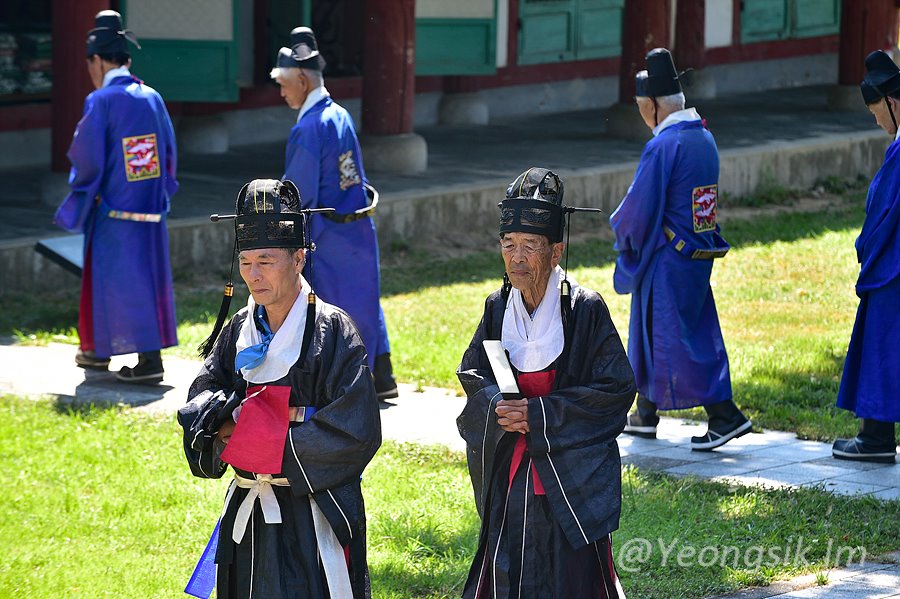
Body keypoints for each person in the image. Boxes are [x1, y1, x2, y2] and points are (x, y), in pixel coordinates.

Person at [177, 179, 382, 597]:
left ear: (299, 258)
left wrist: (254, 435)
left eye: (266, 261)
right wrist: (226, 420)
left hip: (313, 512)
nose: (254, 275)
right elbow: (202, 399)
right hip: (249, 510)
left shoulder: (334, 331)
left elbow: (356, 429)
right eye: (247, 261)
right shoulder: (238, 329)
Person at [457, 168, 634, 598]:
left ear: (556, 252)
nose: (516, 258)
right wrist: (499, 405)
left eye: (530, 247)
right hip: (513, 469)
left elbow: (616, 390)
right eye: (508, 245)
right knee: (507, 570)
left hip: (568, 475)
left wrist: (539, 415)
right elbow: (474, 372)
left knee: (569, 580)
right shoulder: (498, 307)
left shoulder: (583, 310)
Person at [610, 48, 751, 451]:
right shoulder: (703, 136)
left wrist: (622, 233)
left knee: (672, 337)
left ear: (653, 106)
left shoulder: (663, 146)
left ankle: (725, 416)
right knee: (660, 332)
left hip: (667, 259)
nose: (641, 115)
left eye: (641, 107)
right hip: (696, 254)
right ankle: (645, 413)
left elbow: (639, 208)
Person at [271, 26, 398, 401]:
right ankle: (382, 375)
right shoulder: (339, 114)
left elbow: (297, 193)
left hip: (329, 234)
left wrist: (283, 236)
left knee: (332, 312)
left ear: (301, 78)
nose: (280, 92)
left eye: (283, 83)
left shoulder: (309, 127)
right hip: (358, 229)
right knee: (364, 302)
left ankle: (349, 385)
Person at [53, 10, 178, 384]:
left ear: (98, 59)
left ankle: (143, 360)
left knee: (113, 283)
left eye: (89, 62)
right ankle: (101, 352)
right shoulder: (152, 98)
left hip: (112, 212)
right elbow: (168, 154)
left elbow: (87, 159)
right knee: (146, 281)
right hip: (149, 212)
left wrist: (82, 194)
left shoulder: (101, 100)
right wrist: (158, 194)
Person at [831, 51, 900, 464]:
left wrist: (865, 248)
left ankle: (875, 437)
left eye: (877, 111)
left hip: (892, 268)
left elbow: (885, 216)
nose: (876, 120)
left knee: (882, 346)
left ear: (893, 102)